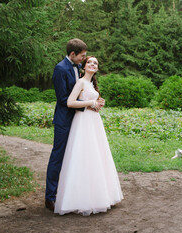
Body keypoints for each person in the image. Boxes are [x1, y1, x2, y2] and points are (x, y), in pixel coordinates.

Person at [54, 56, 123, 216]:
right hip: (83, 123)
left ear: (97, 69)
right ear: (84, 67)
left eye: (96, 63)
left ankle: (99, 195)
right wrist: (90, 103)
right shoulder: (80, 82)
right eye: (90, 62)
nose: (93, 64)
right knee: (83, 156)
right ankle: (80, 198)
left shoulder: (91, 84)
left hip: (94, 122)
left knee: (96, 156)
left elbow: (90, 102)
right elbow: (70, 102)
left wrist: (98, 103)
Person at [45, 39, 102, 211]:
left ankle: (74, 194)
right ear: (72, 54)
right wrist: (88, 103)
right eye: (82, 56)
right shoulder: (60, 69)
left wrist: (93, 102)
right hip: (64, 120)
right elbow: (63, 99)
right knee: (58, 157)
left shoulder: (77, 68)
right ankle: (50, 197)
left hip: (80, 120)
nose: (84, 59)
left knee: (77, 158)